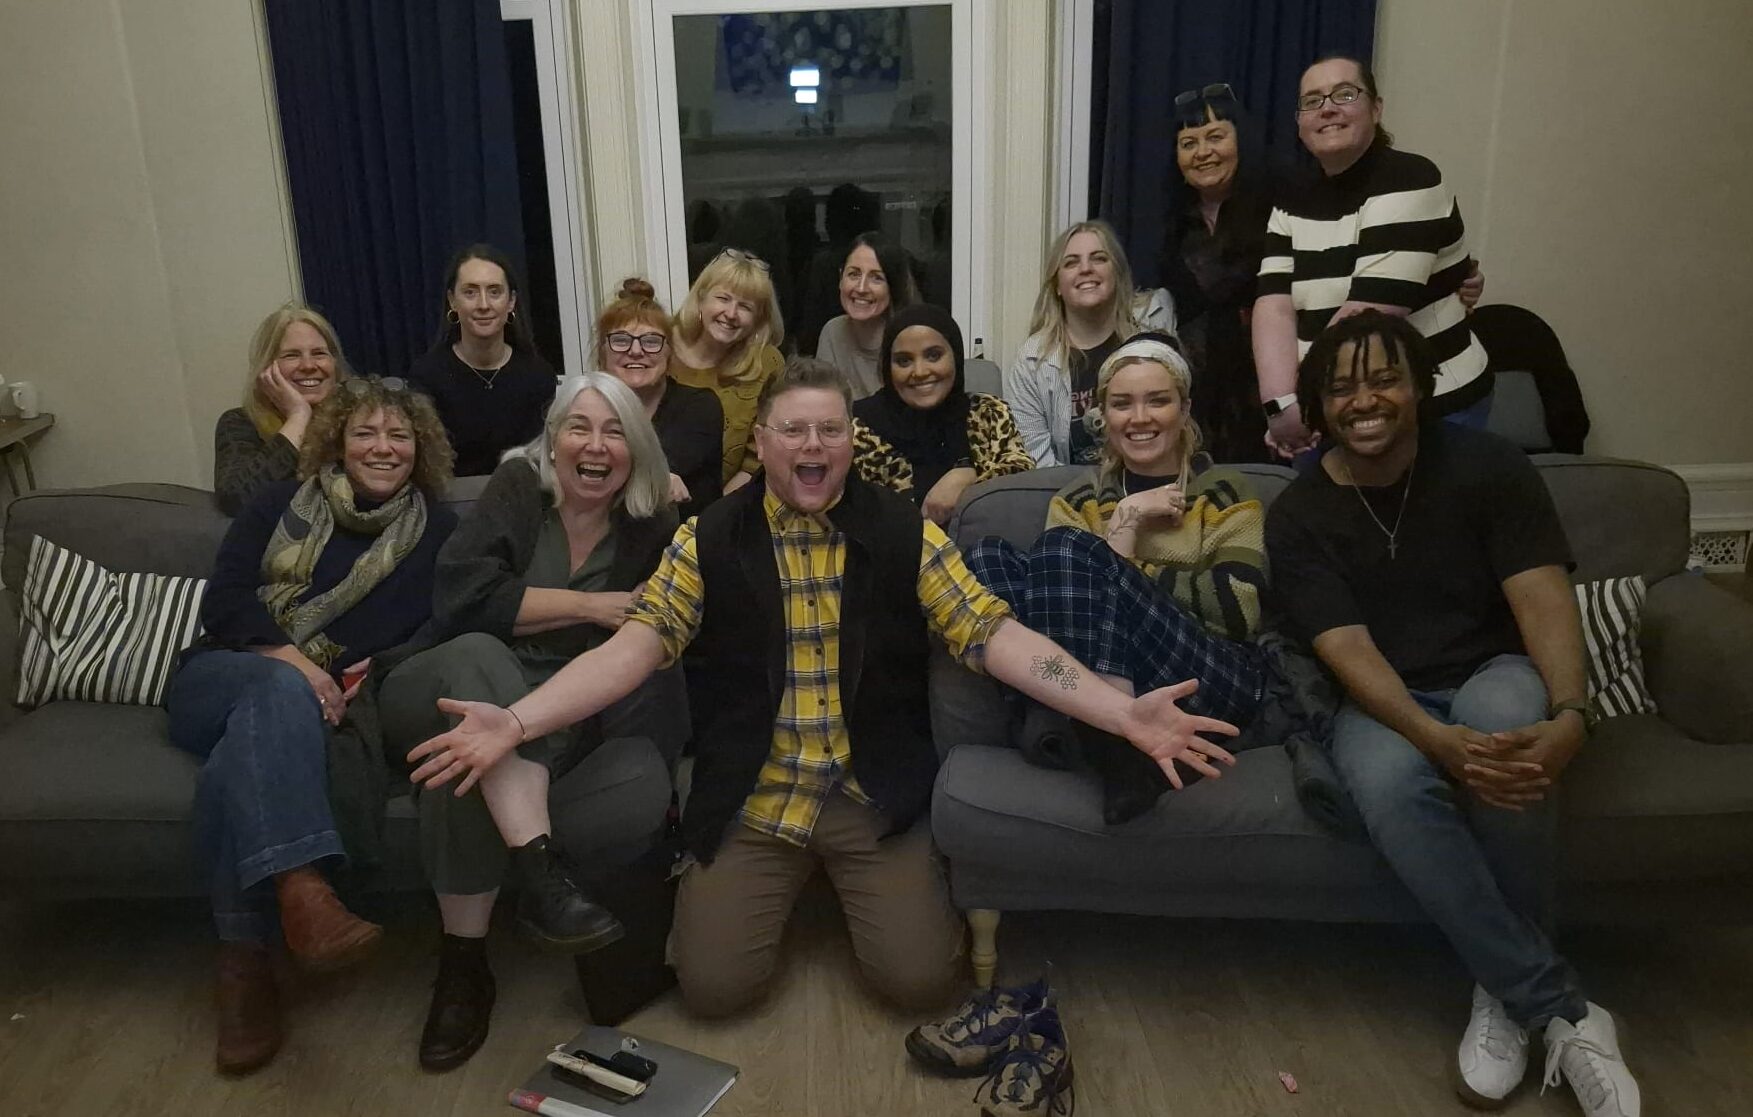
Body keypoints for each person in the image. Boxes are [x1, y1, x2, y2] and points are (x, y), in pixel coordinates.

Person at [407, 358, 1240, 1031]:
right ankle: (770, 886)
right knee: (713, 991)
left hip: (869, 790)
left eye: (830, 430)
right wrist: (514, 720)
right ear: (763, 442)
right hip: (755, 795)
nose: (814, 444)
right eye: (794, 429)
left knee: (919, 984)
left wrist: (1118, 709)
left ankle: (852, 885)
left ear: (850, 442)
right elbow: (634, 647)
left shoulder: (904, 528)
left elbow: (996, 636)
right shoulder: (706, 538)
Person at [1264, 312, 1639, 1117]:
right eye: (1340, 387)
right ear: (1318, 407)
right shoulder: (1297, 514)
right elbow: (1347, 649)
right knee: (1394, 788)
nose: (1364, 399)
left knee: (1509, 732)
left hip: (1489, 670)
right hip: (1382, 698)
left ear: (1418, 384)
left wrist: (1572, 711)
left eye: (1382, 378)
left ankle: (1498, 993)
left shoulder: (1490, 466)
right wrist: (1433, 739)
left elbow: (1541, 599)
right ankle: (1558, 1006)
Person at [379, 372, 681, 1071]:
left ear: (636, 451)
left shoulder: (649, 528)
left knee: (470, 749)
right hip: (436, 677)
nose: (596, 444)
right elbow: (462, 598)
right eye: (579, 426)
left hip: (544, 712)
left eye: (615, 432)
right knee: (480, 670)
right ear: (553, 439)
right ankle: (540, 875)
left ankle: (463, 966)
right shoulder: (518, 489)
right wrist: (590, 607)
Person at [167, 378, 457, 1074]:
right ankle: (302, 888)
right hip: (221, 673)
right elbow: (225, 604)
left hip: (315, 695)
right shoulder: (275, 504)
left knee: (241, 757)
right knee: (274, 685)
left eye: (398, 435)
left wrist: (350, 669)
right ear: (337, 440)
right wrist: (296, 658)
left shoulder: (437, 530)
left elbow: (420, 624)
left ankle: (245, 966)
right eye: (365, 433)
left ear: (419, 449)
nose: (381, 447)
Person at [965, 334, 1272, 823]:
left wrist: (1119, 562)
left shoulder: (1224, 493)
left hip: (1208, 676)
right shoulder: (1079, 500)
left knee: (1069, 550)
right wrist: (1126, 519)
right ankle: (1107, 730)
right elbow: (1058, 620)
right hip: (1106, 685)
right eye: (1122, 404)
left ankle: (1095, 743)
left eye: (1158, 400)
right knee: (986, 559)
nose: (1140, 417)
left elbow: (1236, 611)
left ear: (1185, 408)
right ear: (1102, 417)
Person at [1253, 56, 1491, 459]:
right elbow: (1273, 305)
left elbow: (1369, 313)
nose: (1327, 108)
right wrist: (1280, 406)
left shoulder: (1411, 179)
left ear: (1376, 109)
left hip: (1432, 406)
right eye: (1312, 101)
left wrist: (1305, 404)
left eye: (1345, 94)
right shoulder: (1292, 196)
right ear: (1299, 122)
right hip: (1329, 403)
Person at [1158, 84, 1277, 464]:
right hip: (1200, 404)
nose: (1203, 153)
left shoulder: (1280, 207)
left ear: (1240, 140)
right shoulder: (1170, 225)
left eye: (1215, 136)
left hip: (1270, 394)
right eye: (1188, 142)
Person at [1004, 220, 1176, 468]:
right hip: (1069, 497)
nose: (1086, 269)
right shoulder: (1032, 361)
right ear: (1057, 286)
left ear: (1116, 272)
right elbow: (1036, 461)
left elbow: (1177, 424)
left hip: (1152, 484)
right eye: (1071, 262)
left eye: (1099, 258)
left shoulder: (1154, 323)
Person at [852, 304, 1032, 525]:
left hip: (980, 552)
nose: (920, 372)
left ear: (955, 357)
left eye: (933, 355)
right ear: (888, 369)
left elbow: (1022, 481)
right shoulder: (859, 429)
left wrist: (968, 479)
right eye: (904, 361)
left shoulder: (989, 413)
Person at [408, 244, 559, 476]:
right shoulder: (426, 377)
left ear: (511, 302)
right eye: (470, 292)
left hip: (523, 501)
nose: (483, 305)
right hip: (452, 503)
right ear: (452, 301)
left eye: (494, 291)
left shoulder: (538, 376)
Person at [594, 277, 724, 520]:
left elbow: (643, 473)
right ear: (603, 351)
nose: (635, 351)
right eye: (621, 340)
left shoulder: (699, 407)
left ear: (669, 352)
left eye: (651, 341)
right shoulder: (590, 407)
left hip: (688, 548)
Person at [669, 248, 786, 494]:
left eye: (745, 307)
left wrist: (714, 519)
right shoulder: (660, 344)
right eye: (722, 299)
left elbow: (756, 461)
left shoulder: (766, 363)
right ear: (701, 298)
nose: (731, 314)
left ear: (758, 318)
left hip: (725, 507)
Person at [215, 304, 350, 516]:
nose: (308, 365)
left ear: (335, 364)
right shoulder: (240, 422)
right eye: (291, 355)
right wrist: (299, 416)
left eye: (319, 353)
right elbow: (236, 499)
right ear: (267, 368)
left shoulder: (358, 419)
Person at [815, 232, 919, 399]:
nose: (862, 288)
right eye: (854, 274)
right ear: (840, 277)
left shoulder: (912, 337)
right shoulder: (833, 332)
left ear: (893, 287)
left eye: (876, 278)